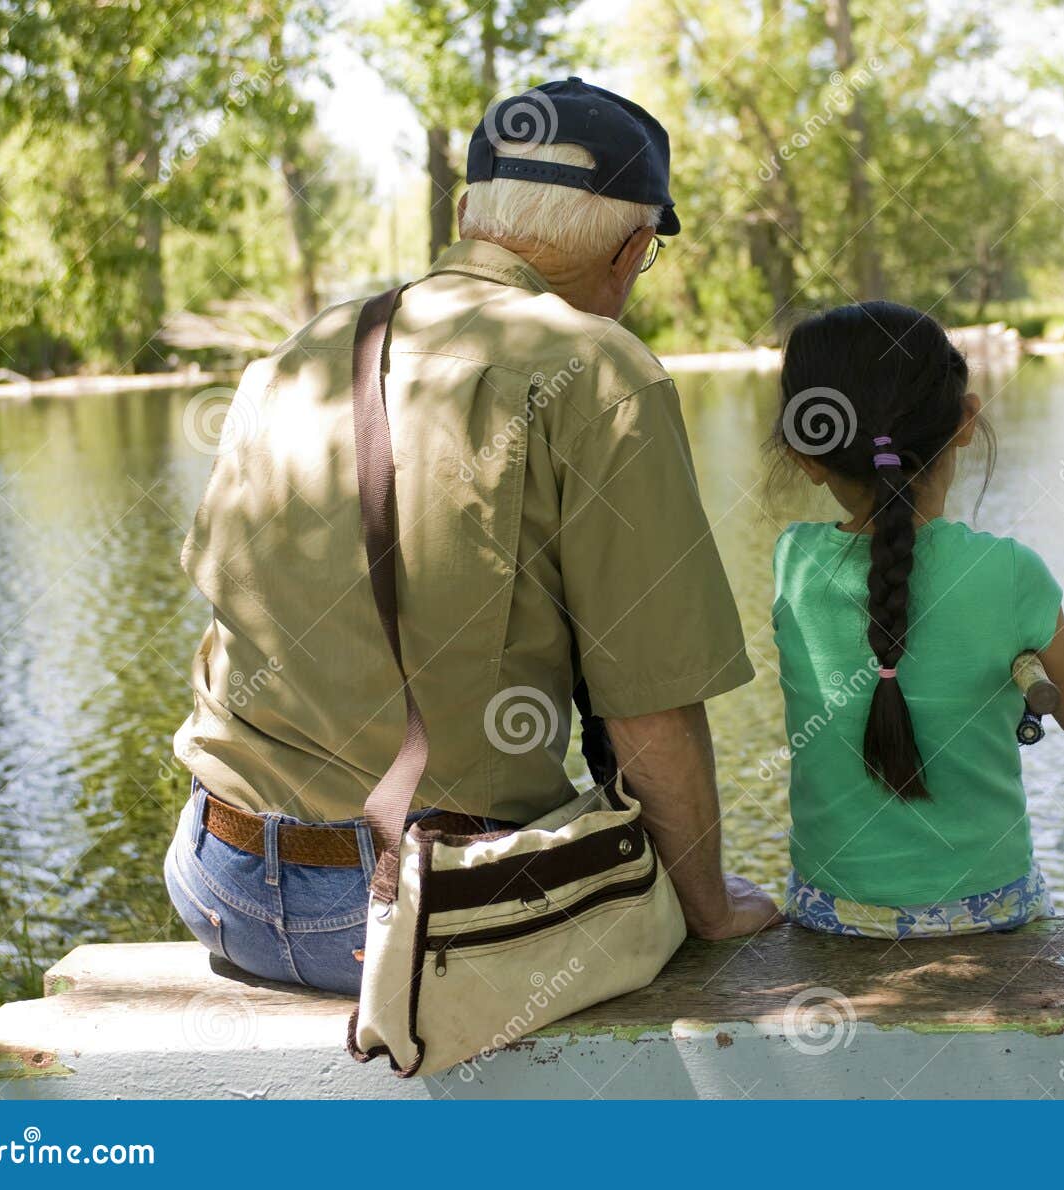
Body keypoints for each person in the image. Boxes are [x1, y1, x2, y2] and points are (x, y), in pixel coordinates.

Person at [164, 77, 780, 996]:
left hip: (220, 883)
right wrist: (710, 908)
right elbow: (652, 707)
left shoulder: (295, 355)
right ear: (632, 248)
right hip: (415, 919)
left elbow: (226, 616)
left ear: (466, 213)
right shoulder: (601, 371)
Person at [769, 302, 1064, 940]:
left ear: (806, 455)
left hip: (834, 913)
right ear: (966, 422)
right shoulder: (1011, 572)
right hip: (988, 912)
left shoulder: (794, 562)